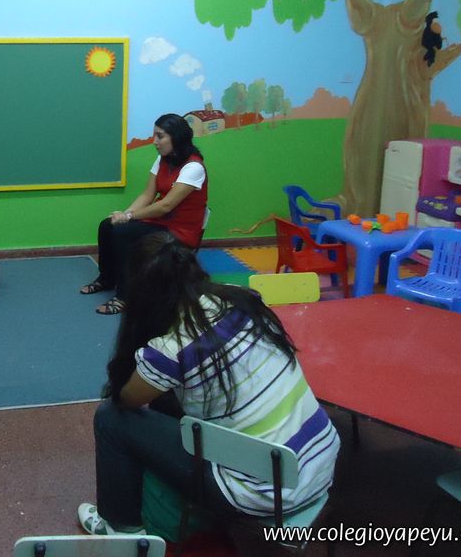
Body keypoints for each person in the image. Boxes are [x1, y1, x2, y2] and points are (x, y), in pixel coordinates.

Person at [78, 232, 339, 539]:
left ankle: (121, 529)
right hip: (321, 462)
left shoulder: (170, 350)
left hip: (264, 495)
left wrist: (136, 337)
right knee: (168, 396)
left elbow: (126, 400)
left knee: (110, 418)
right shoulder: (240, 298)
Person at [80, 113, 209, 314]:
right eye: (154, 135)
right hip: (160, 222)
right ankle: (106, 279)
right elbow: (148, 195)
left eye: (160, 136)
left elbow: (166, 205)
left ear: (176, 137)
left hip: (180, 231)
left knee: (122, 233)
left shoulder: (194, 167)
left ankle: (124, 296)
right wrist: (124, 215)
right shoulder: (162, 159)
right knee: (108, 226)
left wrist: (129, 217)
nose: (154, 141)